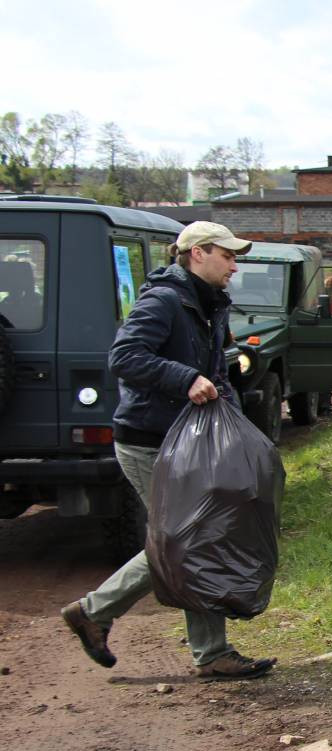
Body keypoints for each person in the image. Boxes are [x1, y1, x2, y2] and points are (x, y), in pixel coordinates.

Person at [60, 221, 277, 681]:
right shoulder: (164, 300)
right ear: (198, 254)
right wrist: (184, 378)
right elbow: (125, 356)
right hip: (150, 440)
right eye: (228, 255)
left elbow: (216, 368)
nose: (235, 265)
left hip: (188, 441)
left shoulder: (206, 303)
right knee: (186, 541)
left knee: (194, 539)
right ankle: (98, 613)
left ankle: (203, 649)